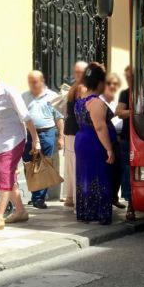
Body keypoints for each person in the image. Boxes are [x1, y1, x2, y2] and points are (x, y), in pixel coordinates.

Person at [0, 63, 41, 231]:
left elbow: (26, 118)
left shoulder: (9, 92)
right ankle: (20, 211)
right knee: (5, 176)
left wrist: (35, 140)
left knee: (4, 175)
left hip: (13, 140)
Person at [74, 63, 116, 225]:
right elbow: (100, 127)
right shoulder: (96, 102)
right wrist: (109, 149)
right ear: (99, 83)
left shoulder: (80, 100)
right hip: (94, 143)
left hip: (82, 140)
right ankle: (99, 213)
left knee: (85, 176)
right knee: (100, 176)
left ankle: (86, 212)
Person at [21, 71, 64, 209]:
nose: (32, 84)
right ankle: (35, 195)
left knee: (44, 165)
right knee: (29, 164)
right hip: (28, 134)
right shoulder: (24, 96)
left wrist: (61, 137)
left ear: (41, 81)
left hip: (47, 133)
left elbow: (59, 117)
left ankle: (39, 198)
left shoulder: (52, 96)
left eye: (34, 81)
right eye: (30, 81)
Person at [63, 61, 88, 207]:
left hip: (71, 131)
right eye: (76, 72)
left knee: (72, 165)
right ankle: (74, 198)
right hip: (76, 131)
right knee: (74, 165)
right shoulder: (80, 88)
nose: (77, 74)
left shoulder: (76, 87)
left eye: (80, 72)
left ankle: (71, 197)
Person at [101, 72, 124, 209]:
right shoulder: (99, 100)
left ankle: (114, 198)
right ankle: (106, 199)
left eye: (115, 84)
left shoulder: (116, 100)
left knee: (117, 171)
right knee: (107, 171)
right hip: (105, 140)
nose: (112, 86)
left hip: (118, 138)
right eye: (109, 83)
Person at [115, 66, 135, 221]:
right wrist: (136, 111)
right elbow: (119, 112)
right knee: (127, 171)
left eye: (131, 76)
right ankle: (130, 204)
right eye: (126, 77)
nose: (128, 80)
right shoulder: (125, 93)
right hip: (128, 138)